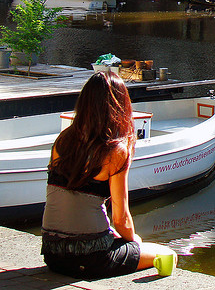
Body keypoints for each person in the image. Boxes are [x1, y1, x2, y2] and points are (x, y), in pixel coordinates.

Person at [41, 71, 177, 278]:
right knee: (167, 253)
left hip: (53, 254)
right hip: (91, 258)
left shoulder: (63, 139)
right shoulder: (115, 151)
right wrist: (134, 242)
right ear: (120, 106)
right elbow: (121, 219)